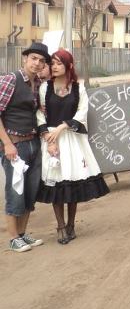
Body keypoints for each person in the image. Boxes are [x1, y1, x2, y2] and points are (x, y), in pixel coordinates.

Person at [35, 49, 109, 244]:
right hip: (51, 140)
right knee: (57, 183)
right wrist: (48, 138)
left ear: (69, 65)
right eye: (52, 63)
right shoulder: (45, 88)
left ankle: (71, 225)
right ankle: (60, 226)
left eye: (59, 63)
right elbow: (40, 114)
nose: (54, 66)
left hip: (72, 139)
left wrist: (62, 127)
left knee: (72, 181)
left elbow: (82, 112)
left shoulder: (78, 88)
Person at [0, 42, 50, 252]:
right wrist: (7, 144)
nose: (37, 63)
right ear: (25, 58)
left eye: (41, 60)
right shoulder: (10, 80)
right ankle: (13, 237)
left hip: (33, 142)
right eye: (33, 59)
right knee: (15, 191)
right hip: (15, 145)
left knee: (30, 191)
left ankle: (22, 233)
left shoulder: (37, 83)